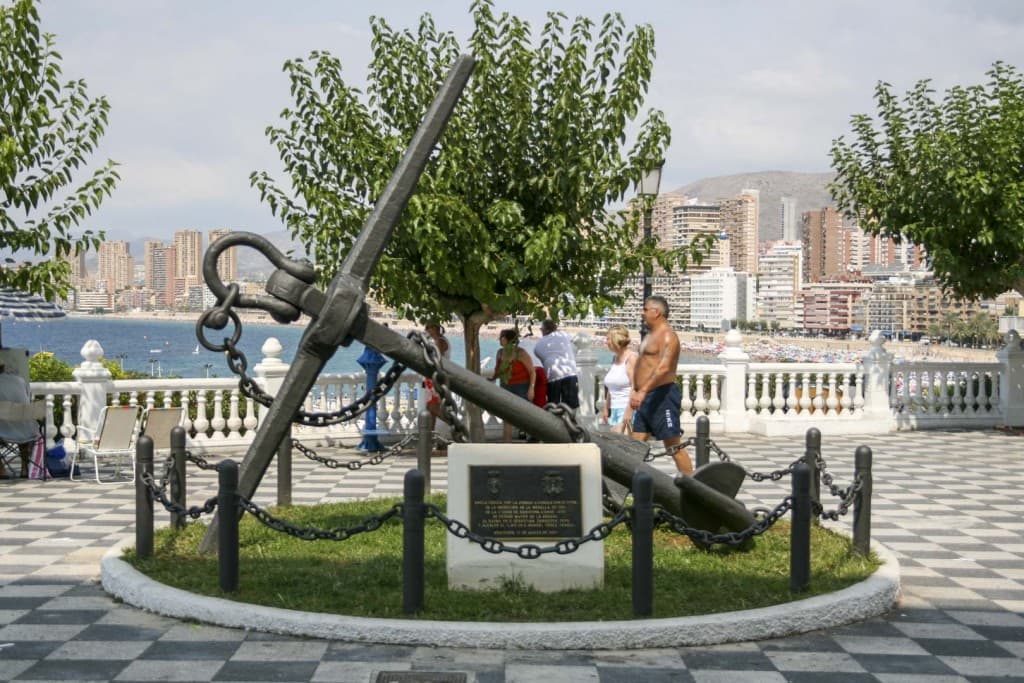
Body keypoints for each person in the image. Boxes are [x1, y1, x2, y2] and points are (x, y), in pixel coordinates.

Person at [630, 296, 693, 474]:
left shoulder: (668, 336)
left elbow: (664, 368)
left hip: (662, 396)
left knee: (673, 447)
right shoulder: (651, 335)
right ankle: (629, 488)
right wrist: (636, 391)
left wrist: (642, 391)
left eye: (645, 309)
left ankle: (695, 490)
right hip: (646, 398)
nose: (642, 313)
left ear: (656, 312)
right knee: (636, 446)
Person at [488, 328, 535, 442]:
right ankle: (506, 443)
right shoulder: (500, 353)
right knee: (506, 416)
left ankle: (530, 442)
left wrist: (531, 388)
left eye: (501, 337)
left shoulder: (521, 353)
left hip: (522, 386)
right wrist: (492, 379)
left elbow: (532, 371)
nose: (499, 339)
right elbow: (498, 370)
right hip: (506, 386)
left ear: (505, 339)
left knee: (525, 415)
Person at [0, 362, 38, 478]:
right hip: (28, 430)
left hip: (4, 430)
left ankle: (1, 469)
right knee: (22, 423)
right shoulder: (20, 381)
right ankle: (25, 468)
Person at [532, 319, 580, 411]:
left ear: (544, 330)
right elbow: (575, 345)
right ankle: (570, 422)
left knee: (553, 404)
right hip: (570, 372)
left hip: (552, 374)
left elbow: (541, 357)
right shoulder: (564, 334)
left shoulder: (539, 344)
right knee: (571, 404)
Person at [601, 325, 638, 433]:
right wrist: (606, 408)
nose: (606, 342)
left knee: (622, 446)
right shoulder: (615, 358)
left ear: (616, 339)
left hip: (627, 409)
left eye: (608, 339)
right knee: (616, 446)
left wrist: (629, 411)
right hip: (615, 410)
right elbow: (612, 387)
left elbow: (635, 387)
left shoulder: (631, 358)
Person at [422, 322, 451, 429]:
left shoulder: (440, 341)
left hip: (437, 377)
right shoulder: (434, 341)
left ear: (436, 328)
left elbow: (437, 357)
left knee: (433, 407)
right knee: (430, 409)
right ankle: (430, 436)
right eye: (426, 327)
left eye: (429, 327)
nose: (427, 329)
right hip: (432, 377)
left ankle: (453, 424)